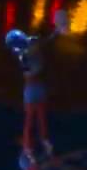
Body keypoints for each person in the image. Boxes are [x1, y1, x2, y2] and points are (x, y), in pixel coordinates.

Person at [5, 11, 67, 152]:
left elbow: (42, 43)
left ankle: (30, 146)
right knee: (39, 116)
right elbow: (44, 42)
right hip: (38, 86)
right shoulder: (30, 48)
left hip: (31, 88)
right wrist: (56, 31)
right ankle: (42, 143)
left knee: (31, 119)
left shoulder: (23, 52)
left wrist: (56, 32)